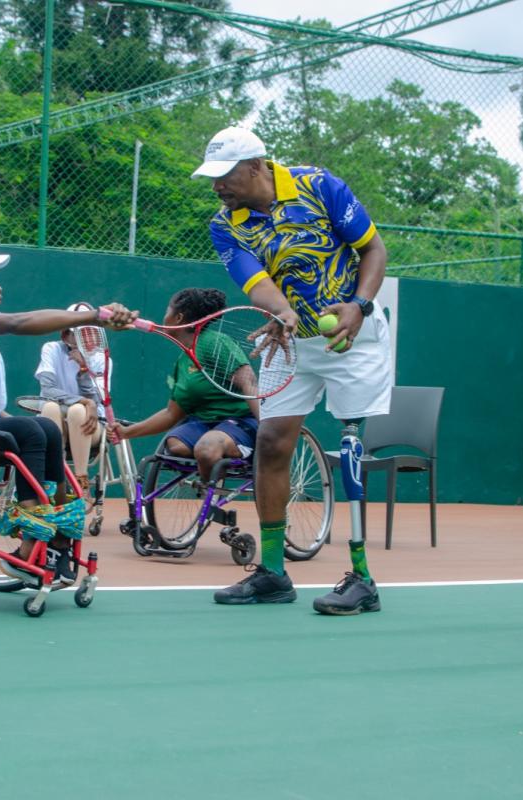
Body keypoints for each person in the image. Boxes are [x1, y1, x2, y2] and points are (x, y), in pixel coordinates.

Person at [192, 127, 393, 614]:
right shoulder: (226, 225)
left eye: (226, 175)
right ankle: (274, 574)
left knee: (348, 444)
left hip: (354, 334)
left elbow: (374, 250)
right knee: (272, 441)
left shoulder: (319, 186)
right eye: (212, 177)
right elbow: (255, 281)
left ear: (257, 165)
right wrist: (282, 313)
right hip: (289, 342)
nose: (218, 185)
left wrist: (359, 305)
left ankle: (362, 578)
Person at [0, 237, 136, 586]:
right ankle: (31, 543)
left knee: (45, 428)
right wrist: (93, 316)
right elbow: (18, 323)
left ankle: (59, 538)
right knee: (34, 431)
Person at [109, 288, 258, 485]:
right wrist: (127, 432)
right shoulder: (183, 361)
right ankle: (211, 470)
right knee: (175, 444)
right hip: (205, 423)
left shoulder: (215, 343)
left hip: (241, 421)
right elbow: (172, 414)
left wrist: (267, 430)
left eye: (167, 311)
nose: (164, 315)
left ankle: (210, 490)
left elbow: (250, 383)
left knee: (206, 448)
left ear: (178, 318)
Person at [34, 307, 104, 491]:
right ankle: (57, 481)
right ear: (66, 336)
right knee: (50, 407)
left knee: (78, 411)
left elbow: (97, 403)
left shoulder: (103, 359)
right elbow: (48, 389)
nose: (88, 339)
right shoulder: (51, 349)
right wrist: (84, 402)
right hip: (56, 421)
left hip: (91, 426)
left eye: (92, 333)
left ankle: (81, 481)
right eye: (82, 334)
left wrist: (83, 370)